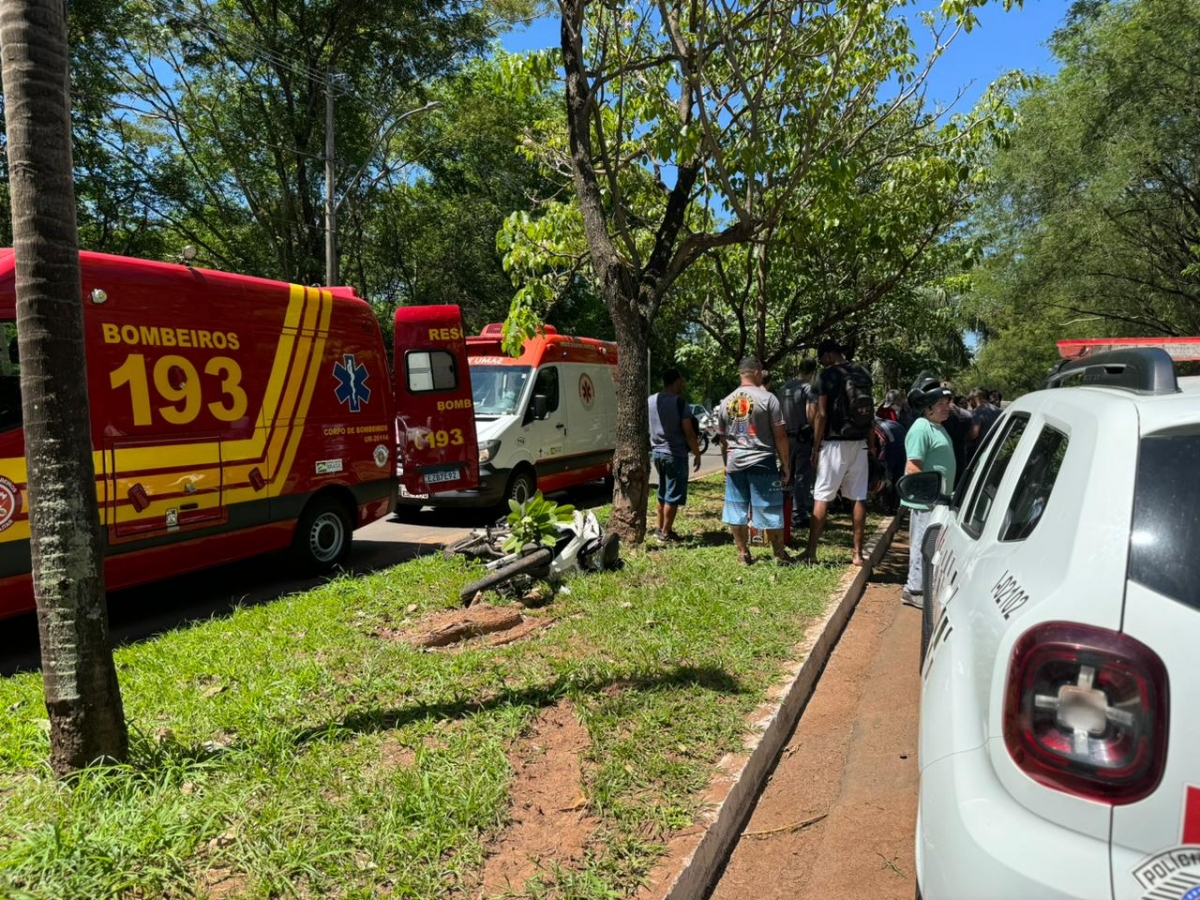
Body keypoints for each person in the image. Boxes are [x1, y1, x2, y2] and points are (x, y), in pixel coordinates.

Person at [805, 339, 876, 567]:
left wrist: (816, 448)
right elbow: (869, 412)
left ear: (827, 355)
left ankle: (811, 552)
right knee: (858, 497)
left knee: (822, 495)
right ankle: (857, 554)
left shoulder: (827, 375)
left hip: (834, 443)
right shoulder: (862, 373)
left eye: (821, 358)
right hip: (859, 442)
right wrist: (872, 443)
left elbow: (821, 414)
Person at [717, 357, 793, 566]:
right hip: (763, 461)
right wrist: (785, 464)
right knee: (770, 507)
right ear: (758, 372)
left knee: (736, 508)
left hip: (735, 462)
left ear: (741, 373)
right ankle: (779, 553)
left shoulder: (726, 401)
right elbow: (780, 435)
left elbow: (723, 440)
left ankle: (743, 553)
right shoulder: (768, 398)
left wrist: (726, 463)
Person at [901, 377, 957, 609]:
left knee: (932, 545)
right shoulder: (921, 428)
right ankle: (914, 589)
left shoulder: (938, 427)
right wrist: (926, 496)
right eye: (941, 403)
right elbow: (913, 466)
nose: (947, 407)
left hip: (938, 500)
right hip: (927, 501)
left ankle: (922, 585)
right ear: (928, 407)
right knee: (921, 544)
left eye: (947, 402)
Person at [648, 368, 702, 541]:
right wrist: (697, 453)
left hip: (656, 453)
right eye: (682, 380)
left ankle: (659, 528)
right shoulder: (679, 403)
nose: (683, 384)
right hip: (675, 454)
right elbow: (689, 433)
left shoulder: (651, 400)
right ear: (676, 381)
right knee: (672, 494)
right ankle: (666, 533)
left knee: (662, 491)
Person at [778, 358, 817, 531]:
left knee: (786, 474)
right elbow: (811, 414)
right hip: (802, 438)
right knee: (802, 476)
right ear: (813, 372)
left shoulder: (784, 388)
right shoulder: (808, 389)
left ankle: (782, 509)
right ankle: (798, 515)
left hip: (785, 438)